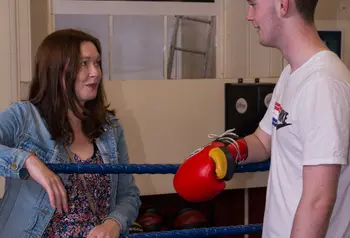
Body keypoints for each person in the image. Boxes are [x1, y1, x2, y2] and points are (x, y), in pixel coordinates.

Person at [173, 0, 350, 237]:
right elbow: (264, 140)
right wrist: (231, 151)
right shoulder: (292, 74)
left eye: (254, 4)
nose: (249, 16)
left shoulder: (323, 84)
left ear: (282, 5)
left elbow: (318, 200)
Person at [0, 28, 141, 238]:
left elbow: (128, 195)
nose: (95, 72)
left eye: (97, 62)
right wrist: (28, 161)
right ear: (57, 69)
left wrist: (113, 224)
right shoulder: (23, 117)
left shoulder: (110, 128)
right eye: (84, 63)